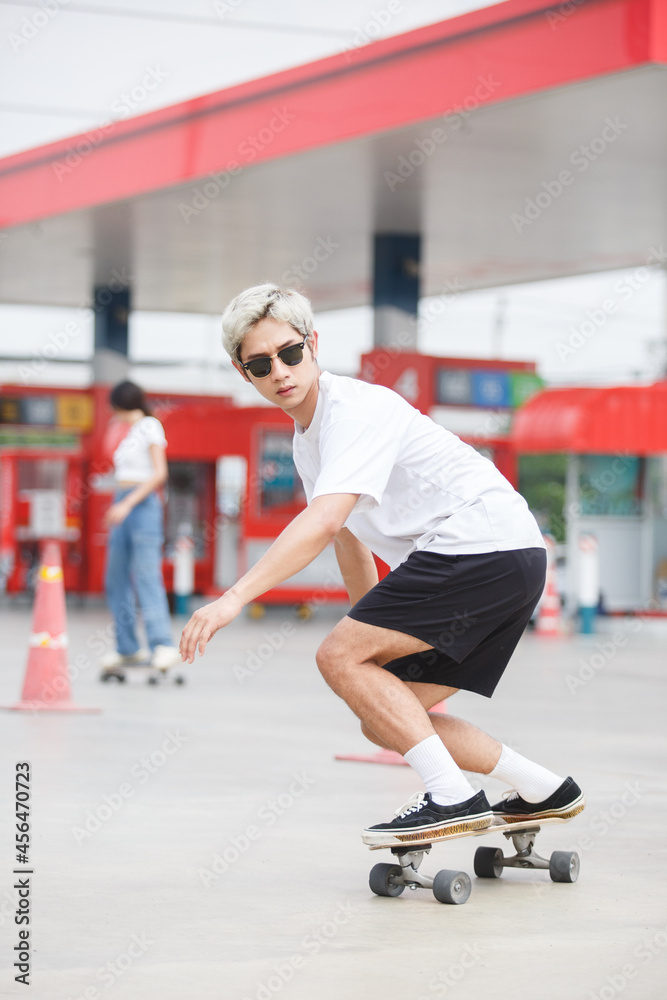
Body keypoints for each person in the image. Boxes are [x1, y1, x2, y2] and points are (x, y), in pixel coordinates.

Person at [180, 285, 585, 847]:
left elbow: (322, 522)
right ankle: (544, 788)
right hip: (505, 558)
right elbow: (346, 536)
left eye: (290, 353)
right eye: (260, 363)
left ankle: (450, 797)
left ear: (313, 344)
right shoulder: (308, 441)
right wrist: (364, 627)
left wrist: (232, 598)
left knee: (337, 658)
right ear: (242, 371)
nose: (280, 371)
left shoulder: (354, 410)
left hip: (479, 545)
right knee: (385, 713)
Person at [100, 380, 180, 673]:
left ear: (119, 403)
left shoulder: (149, 426)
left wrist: (126, 504)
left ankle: (162, 645)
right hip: (121, 500)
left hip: (141, 504)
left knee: (146, 575)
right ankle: (127, 647)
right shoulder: (124, 430)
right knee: (115, 577)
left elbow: (159, 474)